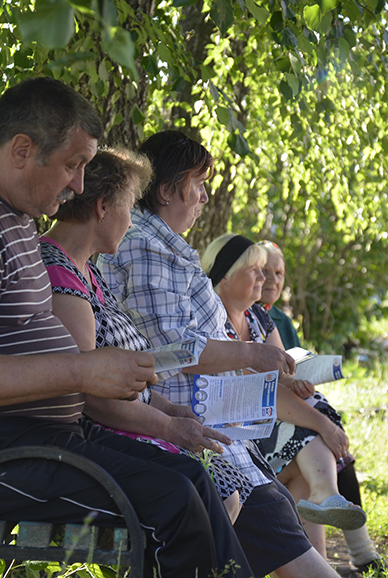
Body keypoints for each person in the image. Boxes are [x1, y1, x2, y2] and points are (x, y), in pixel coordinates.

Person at [0, 78, 253, 578]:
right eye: (73, 165)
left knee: (186, 479)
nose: (80, 187)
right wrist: (81, 372)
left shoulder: (10, 212)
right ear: (22, 150)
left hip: (8, 438)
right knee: (171, 502)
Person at [99, 130, 341, 578]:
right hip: (189, 435)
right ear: (168, 189)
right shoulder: (145, 248)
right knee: (286, 540)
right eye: (198, 183)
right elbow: (170, 352)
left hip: (214, 433)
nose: (206, 196)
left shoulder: (165, 246)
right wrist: (250, 354)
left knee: (280, 516)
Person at [39, 147, 252, 520]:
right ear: (103, 209)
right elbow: (89, 396)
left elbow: (120, 376)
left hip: (123, 427)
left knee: (224, 485)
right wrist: (169, 426)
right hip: (89, 443)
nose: (132, 221)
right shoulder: (59, 273)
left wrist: (171, 411)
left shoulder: (89, 273)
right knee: (207, 490)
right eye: (129, 207)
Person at [202, 233, 366, 560]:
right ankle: (329, 508)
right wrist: (324, 424)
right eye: (256, 271)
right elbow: (262, 394)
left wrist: (298, 383)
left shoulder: (258, 317)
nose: (264, 279)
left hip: (271, 427)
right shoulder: (213, 322)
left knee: (305, 454)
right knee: (309, 433)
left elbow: (284, 375)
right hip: (240, 434)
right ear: (225, 275)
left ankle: (320, 526)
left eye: (269, 272)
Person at [259, 240, 386, 574]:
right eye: (264, 272)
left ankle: (334, 541)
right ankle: (357, 544)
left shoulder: (279, 320)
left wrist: (300, 379)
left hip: (290, 406)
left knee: (327, 435)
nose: (272, 280)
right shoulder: (239, 317)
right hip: (269, 415)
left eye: (279, 273)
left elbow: (292, 361)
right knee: (323, 432)